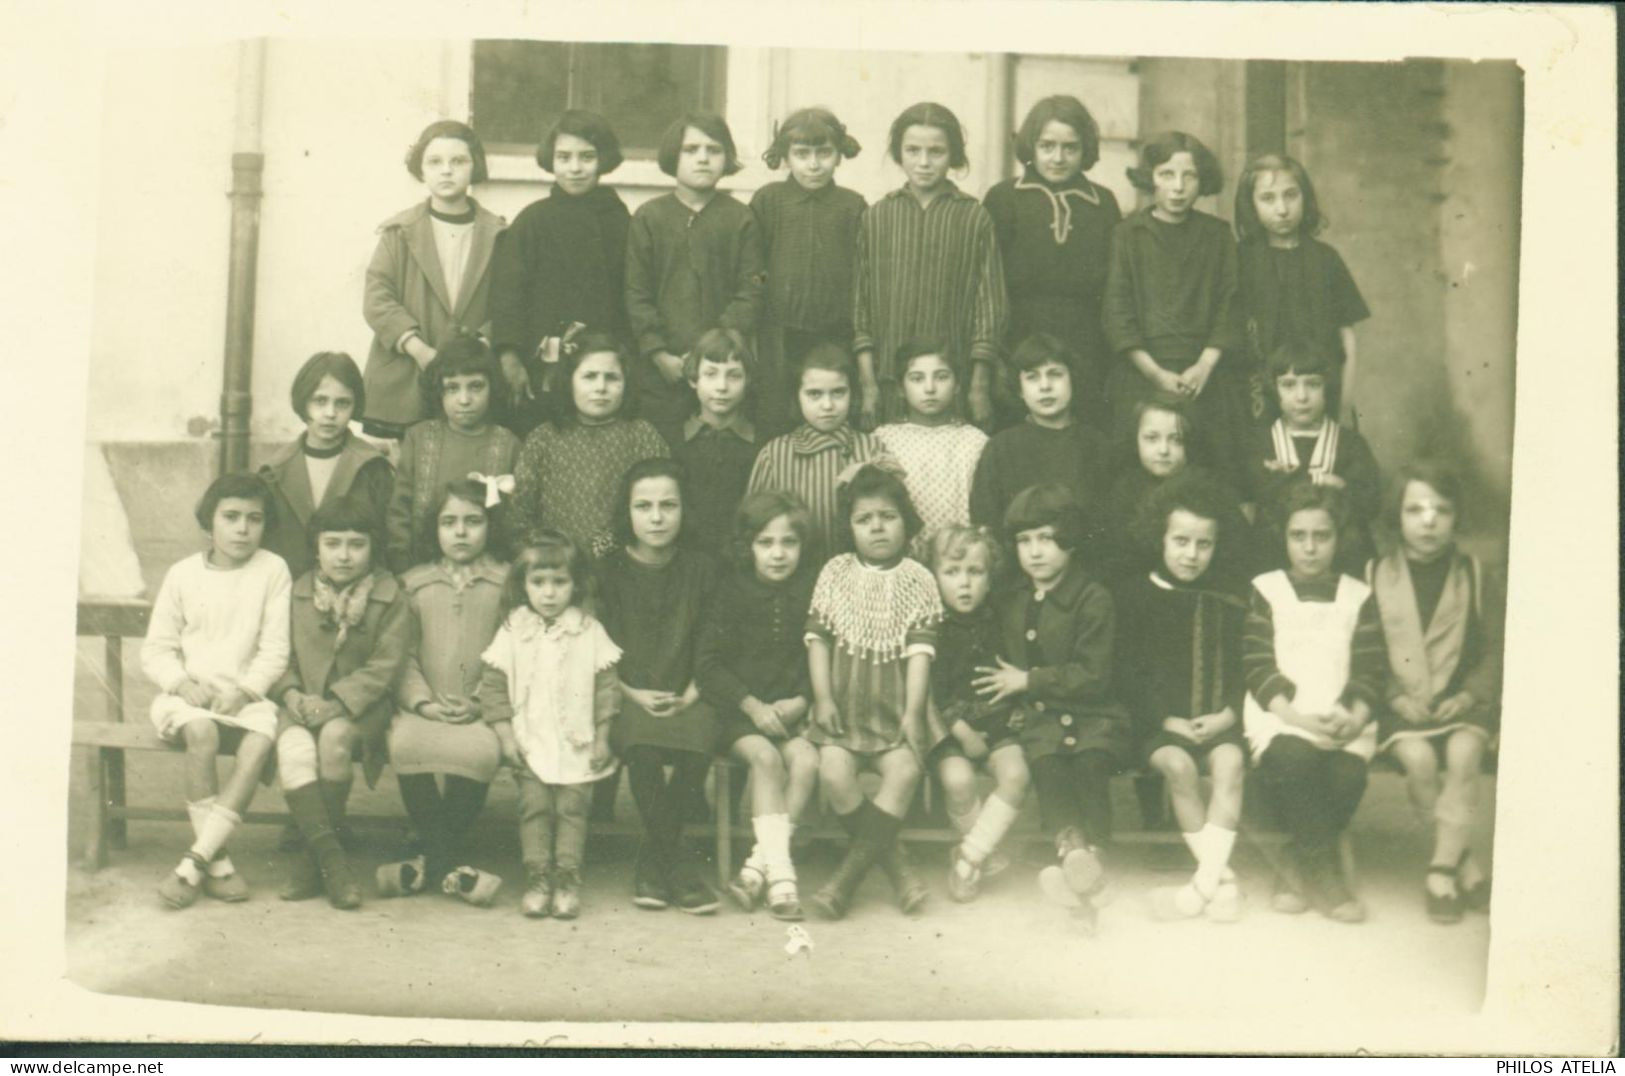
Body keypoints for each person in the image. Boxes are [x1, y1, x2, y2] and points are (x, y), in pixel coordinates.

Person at [140, 473, 289, 908]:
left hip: (247, 696)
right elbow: (157, 650)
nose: (243, 528)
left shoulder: (273, 569)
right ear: (211, 522)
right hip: (190, 697)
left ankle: (193, 862)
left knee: (260, 742)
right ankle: (217, 860)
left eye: (254, 519)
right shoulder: (183, 573)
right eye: (231, 517)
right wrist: (183, 683)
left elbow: (275, 649)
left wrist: (245, 691)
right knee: (201, 734)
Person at [1242, 480, 1386, 924]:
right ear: (1284, 537)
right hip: (1282, 715)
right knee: (1295, 760)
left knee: (1346, 776)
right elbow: (1256, 664)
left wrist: (1354, 717)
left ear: (1338, 538)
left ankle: (1292, 867)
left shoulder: (1358, 594)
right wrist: (1298, 719)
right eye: (1298, 536)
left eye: (1321, 536)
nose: (1309, 548)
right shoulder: (1266, 589)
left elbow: (1370, 668)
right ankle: (1325, 875)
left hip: (1342, 718)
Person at [804, 464, 943, 919]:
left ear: (907, 520)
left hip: (893, 711)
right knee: (833, 773)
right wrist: (823, 699)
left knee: (904, 770)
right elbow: (818, 640)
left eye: (887, 515)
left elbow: (921, 652)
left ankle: (844, 882)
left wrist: (913, 713)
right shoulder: (836, 572)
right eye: (864, 519)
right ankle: (897, 866)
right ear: (849, 527)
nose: (877, 527)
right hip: (842, 713)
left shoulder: (919, 579)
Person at [1367, 462, 1501, 923]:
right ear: (1397, 517)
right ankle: (1464, 858)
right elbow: (1366, 652)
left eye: (1441, 510)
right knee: (1420, 761)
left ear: (1455, 516)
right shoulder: (1375, 574)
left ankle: (1441, 872)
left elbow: (1494, 648)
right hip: (1400, 705)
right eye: (1415, 509)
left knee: (1465, 755)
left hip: (1460, 702)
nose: (1428, 521)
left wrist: (1469, 695)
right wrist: (1393, 696)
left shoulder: (1474, 574)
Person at [1116, 476, 1249, 921]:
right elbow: (1127, 673)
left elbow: (1243, 666)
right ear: (1161, 537)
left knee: (1230, 765)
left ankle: (1201, 886)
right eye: (1181, 541)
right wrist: (1164, 720)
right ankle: (1220, 880)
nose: (1191, 554)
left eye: (1204, 544)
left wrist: (1227, 715)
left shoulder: (1228, 598)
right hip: (1161, 727)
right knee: (1179, 766)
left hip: (1220, 721)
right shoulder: (1137, 596)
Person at [595, 459, 724, 914]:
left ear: (685, 510)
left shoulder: (702, 568)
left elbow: (712, 638)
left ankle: (654, 860)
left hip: (690, 692)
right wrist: (631, 693)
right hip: (627, 693)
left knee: (701, 736)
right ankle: (681, 868)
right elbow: (598, 644)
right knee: (641, 747)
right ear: (626, 512)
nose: (656, 517)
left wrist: (692, 691)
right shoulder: (607, 569)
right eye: (643, 506)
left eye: (668, 505)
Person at [270, 495, 411, 910]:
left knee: (333, 739)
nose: (344, 556)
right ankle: (331, 862)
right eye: (333, 544)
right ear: (316, 546)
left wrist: (337, 702)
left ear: (373, 547)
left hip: (360, 708)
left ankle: (312, 862)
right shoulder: (295, 592)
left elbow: (386, 664)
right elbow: (280, 654)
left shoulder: (389, 594)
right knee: (293, 747)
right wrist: (291, 693)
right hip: (298, 702)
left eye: (356, 544)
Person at [376, 479, 508, 906]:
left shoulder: (507, 583)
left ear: (490, 525)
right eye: (449, 522)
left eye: (473, 521)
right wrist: (423, 703)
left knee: (480, 752)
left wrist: (478, 702)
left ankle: (427, 863)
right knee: (405, 744)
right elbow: (401, 653)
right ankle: (450, 864)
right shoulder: (413, 584)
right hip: (424, 707)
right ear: (434, 529)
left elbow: (509, 653)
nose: (461, 531)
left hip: (481, 708)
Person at [480, 534, 622, 920]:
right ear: (522, 584)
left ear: (575, 584)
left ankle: (567, 877)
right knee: (535, 806)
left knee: (574, 807)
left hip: (577, 739)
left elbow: (606, 687)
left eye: (559, 582)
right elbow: (492, 687)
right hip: (533, 739)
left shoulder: (588, 629)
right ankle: (538, 877)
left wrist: (602, 737)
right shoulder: (514, 629)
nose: (548, 593)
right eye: (538, 582)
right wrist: (506, 736)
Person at [696, 490, 821, 921]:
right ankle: (782, 878)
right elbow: (708, 665)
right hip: (738, 716)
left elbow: (820, 655)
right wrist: (751, 706)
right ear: (747, 546)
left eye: (789, 543)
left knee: (805, 759)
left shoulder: (810, 591)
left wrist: (801, 700)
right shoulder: (730, 592)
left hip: (789, 713)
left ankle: (754, 869)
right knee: (766, 760)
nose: (778, 554)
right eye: (765, 543)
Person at [1103, 130, 1246, 487]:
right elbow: (1117, 310)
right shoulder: (1128, 234)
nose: (1178, 187)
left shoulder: (1217, 235)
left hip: (1205, 375)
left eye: (1189, 176)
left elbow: (1231, 302)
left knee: (1208, 470)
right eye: (1167, 174)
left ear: (1202, 182)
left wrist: (1206, 364)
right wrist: (1154, 374)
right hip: (1143, 373)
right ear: (1151, 178)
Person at [853, 101, 1007, 428]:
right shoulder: (876, 217)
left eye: (936, 151)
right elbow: (860, 307)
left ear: (953, 155)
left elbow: (989, 308)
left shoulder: (973, 217)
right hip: (889, 387)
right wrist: (868, 387)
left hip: (953, 385)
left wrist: (978, 387)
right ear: (898, 154)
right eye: (912, 150)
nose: (923, 162)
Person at [625, 111, 764, 445]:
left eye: (713, 150)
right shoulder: (650, 217)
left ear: (726, 158)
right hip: (663, 371)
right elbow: (636, 292)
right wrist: (659, 354)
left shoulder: (740, 218)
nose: (703, 158)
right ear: (674, 156)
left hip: (721, 370)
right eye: (691, 150)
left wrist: (717, 349)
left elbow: (751, 290)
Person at [489, 109, 631, 435]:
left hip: (600, 368)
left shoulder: (619, 222)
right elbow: (508, 295)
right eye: (564, 157)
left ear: (603, 160)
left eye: (587, 157)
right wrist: (510, 358)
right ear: (551, 161)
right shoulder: (533, 221)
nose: (575, 168)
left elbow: (629, 295)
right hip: (540, 369)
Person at [984, 95, 1122, 428]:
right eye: (1047, 146)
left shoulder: (1101, 203)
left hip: (1086, 344)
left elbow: (1115, 284)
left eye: (1070, 148)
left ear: (1084, 149)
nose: (1058, 158)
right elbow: (986, 281)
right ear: (1031, 145)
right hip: (1019, 337)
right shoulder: (1004, 198)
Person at [362, 120, 505, 439]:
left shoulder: (497, 234)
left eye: (458, 161)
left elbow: (509, 300)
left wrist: (482, 344)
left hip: (472, 380)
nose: (447, 171)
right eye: (435, 162)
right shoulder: (399, 233)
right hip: (409, 372)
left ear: (475, 166)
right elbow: (377, 298)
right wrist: (420, 350)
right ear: (421, 170)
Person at [924, 525, 1030, 903]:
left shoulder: (1001, 620)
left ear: (990, 577)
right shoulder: (931, 626)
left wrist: (1018, 708)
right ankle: (983, 852)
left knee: (1016, 774)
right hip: (948, 728)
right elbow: (929, 689)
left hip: (996, 720)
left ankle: (970, 855)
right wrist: (960, 729)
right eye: (951, 573)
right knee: (958, 780)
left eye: (975, 572)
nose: (964, 584)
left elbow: (1017, 666)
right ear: (935, 576)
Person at [750, 106, 866, 437]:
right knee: (778, 416)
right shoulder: (769, 201)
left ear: (839, 155)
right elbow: (754, 268)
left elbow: (863, 272)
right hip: (779, 336)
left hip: (836, 334)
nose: (813, 164)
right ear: (785, 156)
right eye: (802, 154)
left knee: (831, 416)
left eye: (824, 153)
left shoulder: (852, 205)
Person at [509, 331, 669, 557]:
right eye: (589, 376)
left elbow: (661, 506)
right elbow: (520, 517)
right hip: (557, 569)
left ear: (626, 382)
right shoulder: (543, 439)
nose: (601, 387)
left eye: (612, 378)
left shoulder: (642, 436)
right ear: (569, 380)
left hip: (625, 565)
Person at [1234, 153, 1369, 422]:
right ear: (1251, 205)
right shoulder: (1239, 261)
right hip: (1258, 399)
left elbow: (1347, 341)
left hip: (1320, 396)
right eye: (1268, 198)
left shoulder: (1325, 259)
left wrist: (1343, 405)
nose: (1282, 209)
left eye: (1291, 195)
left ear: (1305, 198)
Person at [1245, 340, 1382, 575]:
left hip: (1341, 558)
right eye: (1288, 385)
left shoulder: (1350, 444)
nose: (1301, 396)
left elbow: (1371, 502)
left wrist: (1342, 487)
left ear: (1327, 387)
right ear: (1274, 389)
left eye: (1313, 384)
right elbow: (1249, 495)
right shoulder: (1261, 443)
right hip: (1273, 558)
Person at [385, 336, 519, 571]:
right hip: (422, 568)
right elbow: (400, 511)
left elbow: (515, 520)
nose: (465, 399)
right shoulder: (419, 438)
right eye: (452, 388)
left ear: (493, 386)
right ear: (439, 391)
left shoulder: (508, 443)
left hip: (489, 572)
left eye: (476, 386)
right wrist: (403, 566)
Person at [259, 351, 393, 580]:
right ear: (303, 402)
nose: (330, 413)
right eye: (320, 401)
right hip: (291, 593)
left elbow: (388, 540)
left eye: (342, 403)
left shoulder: (372, 467)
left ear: (355, 406)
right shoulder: (274, 471)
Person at [746, 342, 884, 562]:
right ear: (797, 395)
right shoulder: (775, 454)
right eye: (814, 394)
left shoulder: (872, 449)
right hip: (794, 578)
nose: (827, 405)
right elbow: (753, 526)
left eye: (838, 393)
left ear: (853, 393)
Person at [969, 332, 1111, 539]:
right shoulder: (1001, 448)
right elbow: (986, 523)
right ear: (1020, 390)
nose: (1045, 386)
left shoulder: (1097, 446)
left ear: (1072, 379)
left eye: (1055, 374)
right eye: (1032, 377)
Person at [875, 339, 989, 555]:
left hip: (960, 558)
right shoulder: (883, 440)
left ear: (957, 385)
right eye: (917, 379)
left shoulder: (975, 441)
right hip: (904, 558)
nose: (929, 388)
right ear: (900, 388)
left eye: (941, 377)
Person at [671, 329, 763, 558]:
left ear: (748, 380)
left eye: (734, 375)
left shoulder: (762, 445)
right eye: (711, 374)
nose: (722, 386)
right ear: (693, 379)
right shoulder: (674, 441)